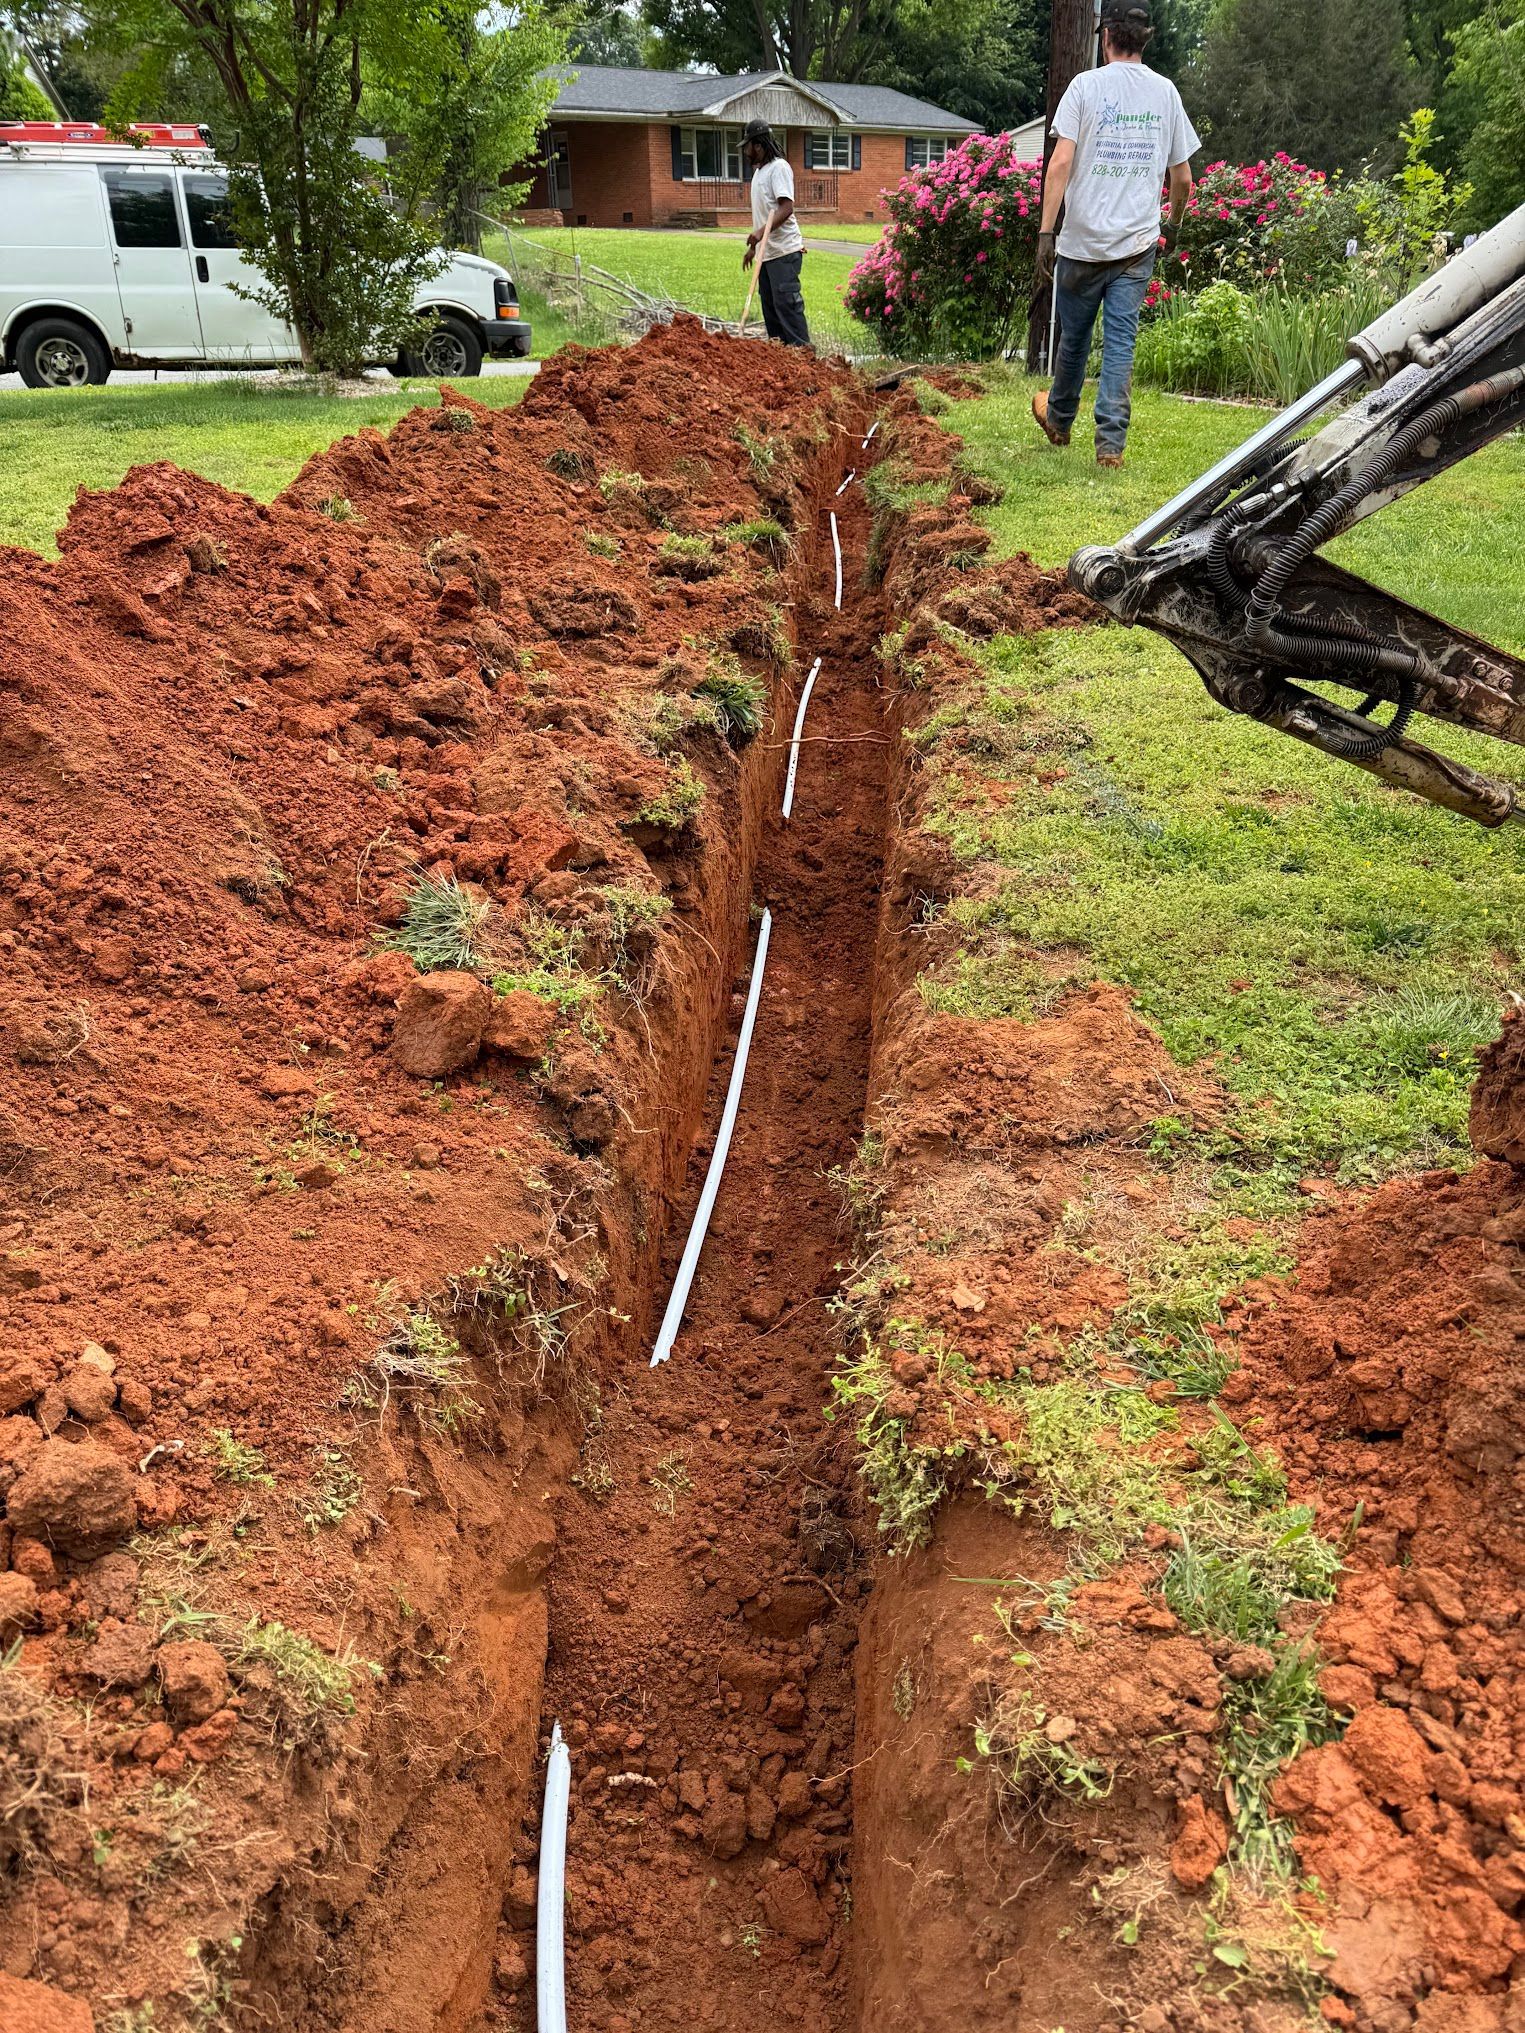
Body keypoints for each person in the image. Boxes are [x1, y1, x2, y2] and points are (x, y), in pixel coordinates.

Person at [1032, 0, 1200, 467]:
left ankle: (1060, 420)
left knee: (1075, 337)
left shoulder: (1084, 86)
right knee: (1120, 341)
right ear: (1144, 40)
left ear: (1106, 37)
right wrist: (1175, 226)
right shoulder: (1165, 93)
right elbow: (1182, 179)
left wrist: (1047, 234)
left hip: (1082, 241)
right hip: (1135, 244)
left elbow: (1061, 162)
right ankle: (1110, 445)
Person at [741, 119, 810, 347]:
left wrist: (760, 233)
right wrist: (754, 248)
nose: (745, 150)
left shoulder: (779, 168)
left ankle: (804, 357)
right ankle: (782, 361)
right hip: (766, 255)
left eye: (747, 145)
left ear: (758, 145)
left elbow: (786, 207)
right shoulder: (759, 173)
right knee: (771, 312)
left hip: (784, 252)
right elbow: (764, 214)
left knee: (787, 308)